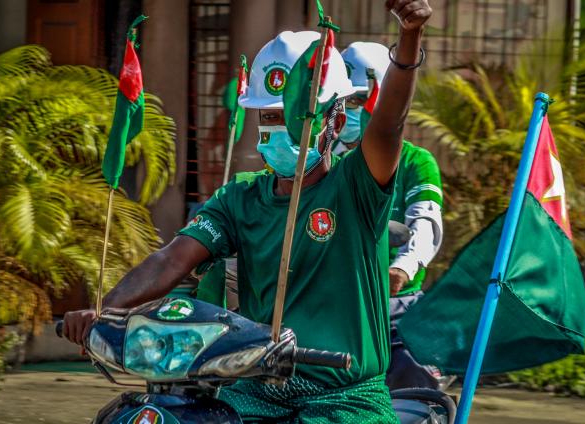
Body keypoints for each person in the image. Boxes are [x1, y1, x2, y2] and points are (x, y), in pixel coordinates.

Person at [63, 1, 432, 422]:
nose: (278, 129)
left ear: (335, 119)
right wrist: (104, 311)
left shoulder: (356, 185)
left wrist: (409, 38)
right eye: (269, 116)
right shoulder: (239, 198)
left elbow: (388, 126)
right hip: (255, 390)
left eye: (295, 117)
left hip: (345, 400)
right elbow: (172, 260)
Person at [339, 41, 444, 390]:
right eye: (344, 101)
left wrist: (403, 266)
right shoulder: (325, 163)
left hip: (397, 305)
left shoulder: (416, 162)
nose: (350, 111)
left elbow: (425, 222)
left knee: (418, 390)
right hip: (336, 304)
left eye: (360, 101)